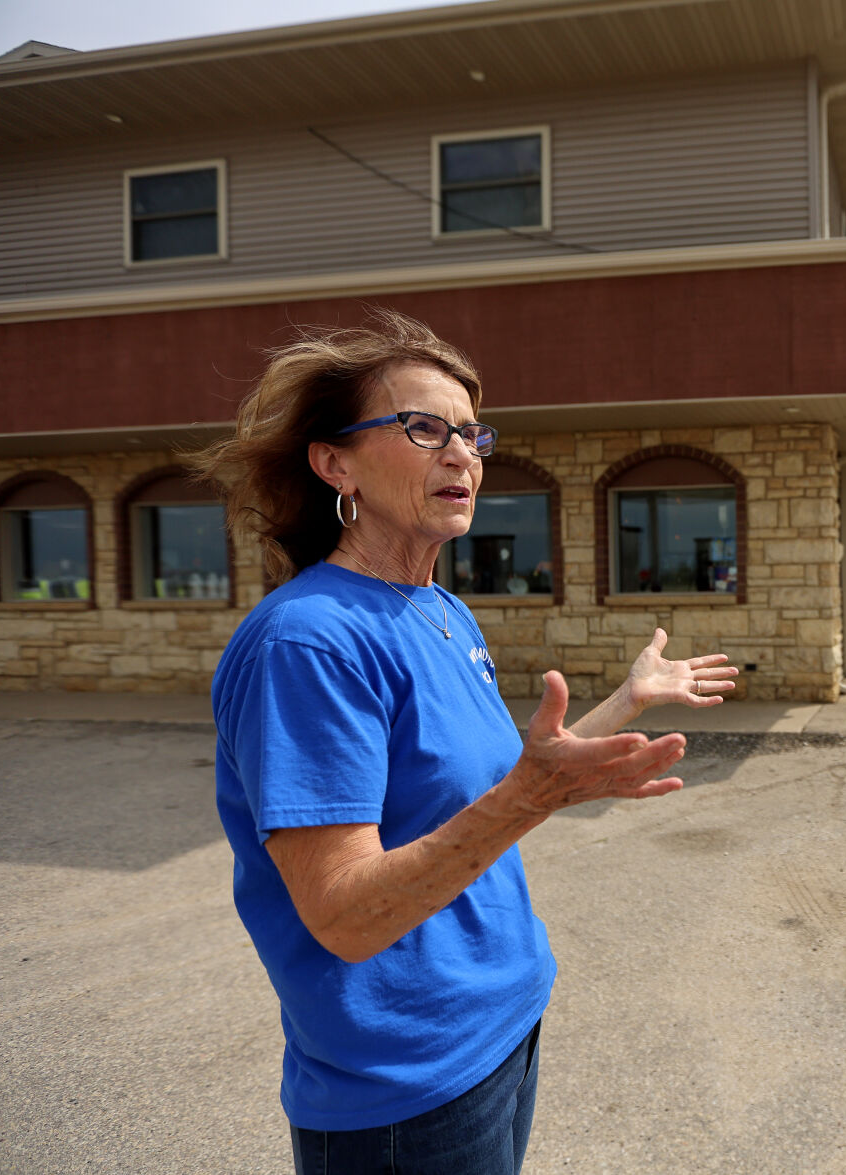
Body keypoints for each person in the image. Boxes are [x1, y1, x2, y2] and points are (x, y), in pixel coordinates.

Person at [192, 311, 738, 1174]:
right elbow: (342, 913)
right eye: (423, 428)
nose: (463, 454)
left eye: (472, 433)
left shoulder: (439, 610)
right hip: (404, 1082)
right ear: (336, 462)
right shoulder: (308, 641)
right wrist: (530, 796)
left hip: (501, 1020)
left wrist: (625, 702)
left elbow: (505, 783)